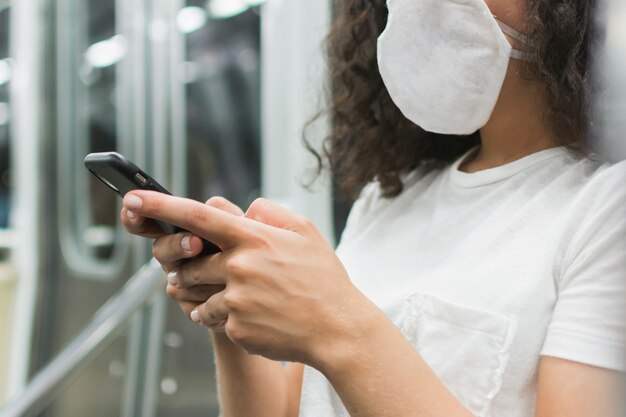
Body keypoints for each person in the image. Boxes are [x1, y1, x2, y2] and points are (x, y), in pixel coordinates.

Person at [121, 0, 626, 416]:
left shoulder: (606, 207)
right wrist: (229, 298)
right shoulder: (387, 199)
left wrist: (336, 323)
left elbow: (342, 336)